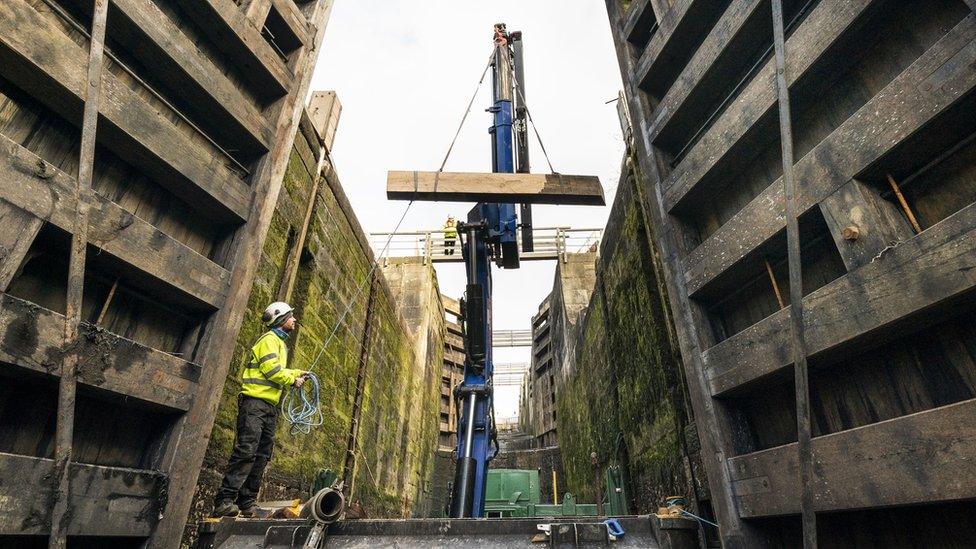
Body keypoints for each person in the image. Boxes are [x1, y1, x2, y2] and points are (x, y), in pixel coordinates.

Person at [213, 301, 308, 517]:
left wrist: (296, 373)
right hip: (254, 404)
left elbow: (278, 369)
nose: (294, 320)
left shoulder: (279, 343)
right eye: (291, 316)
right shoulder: (269, 340)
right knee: (246, 450)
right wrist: (292, 381)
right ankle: (224, 500)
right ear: (281, 319)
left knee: (262, 455)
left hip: (268, 407)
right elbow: (272, 370)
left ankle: (247, 503)